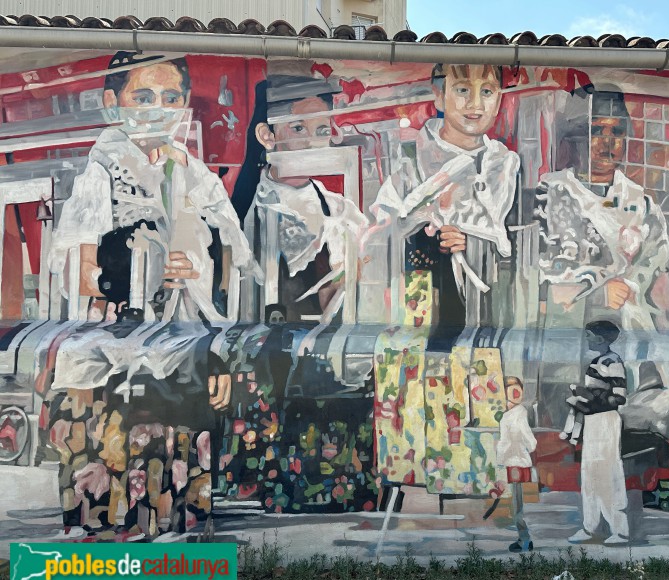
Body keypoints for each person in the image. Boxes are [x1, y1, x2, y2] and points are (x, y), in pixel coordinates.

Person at [45, 51, 259, 539]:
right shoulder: (101, 175)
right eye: (141, 97)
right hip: (107, 370)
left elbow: (236, 267)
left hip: (183, 359)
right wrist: (133, 271)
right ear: (111, 103)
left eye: (169, 98)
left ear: (184, 105)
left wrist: (203, 277)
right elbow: (75, 273)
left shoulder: (200, 179)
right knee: (108, 514)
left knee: (177, 508)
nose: (156, 109)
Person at [538, 89, 669, 391]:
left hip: (631, 337)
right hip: (570, 340)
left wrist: (632, 284)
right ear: (574, 136)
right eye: (597, 130)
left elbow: (657, 255)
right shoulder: (550, 192)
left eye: (617, 132)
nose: (608, 142)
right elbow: (539, 269)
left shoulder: (639, 200)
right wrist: (596, 295)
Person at [369, 63, 520, 328]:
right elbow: (379, 241)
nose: (475, 104)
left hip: (491, 317)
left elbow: (519, 248)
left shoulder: (506, 166)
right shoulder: (409, 162)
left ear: (498, 102)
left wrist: (473, 243)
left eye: (487, 91)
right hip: (421, 315)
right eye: (463, 89)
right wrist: (426, 235)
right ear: (439, 96)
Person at [234, 74, 367, 326]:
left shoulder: (340, 210)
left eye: (322, 130)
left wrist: (344, 285)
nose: (312, 141)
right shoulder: (245, 212)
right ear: (266, 135)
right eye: (298, 128)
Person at [567, 320, 629, 546]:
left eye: (590, 335)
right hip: (594, 422)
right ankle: (589, 526)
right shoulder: (597, 361)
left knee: (608, 474)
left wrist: (590, 396)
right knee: (590, 475)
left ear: (601, 339)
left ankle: (620, 530)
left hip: (606, 422)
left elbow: (619, 396)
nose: (587, 339)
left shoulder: (613, 362)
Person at [496, 376, 537, 552]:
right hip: (517, 463)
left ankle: (524, 539)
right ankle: (524, 538)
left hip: (514, 464)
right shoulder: (518, 414)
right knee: (516, 504)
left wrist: (499, 461)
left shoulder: (512, 417)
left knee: (516, 505)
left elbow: (529, 442)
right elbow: (531, 444)